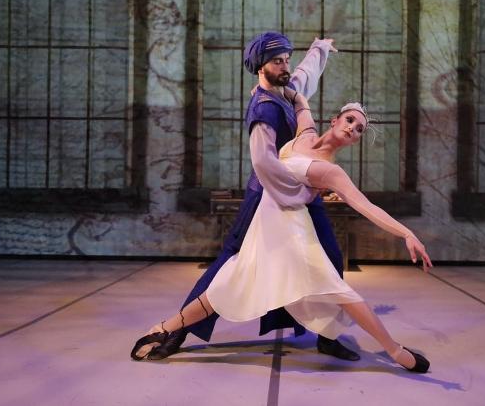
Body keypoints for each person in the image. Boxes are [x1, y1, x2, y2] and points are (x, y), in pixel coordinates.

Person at [132, 90, 434, 373]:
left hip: (294, 235)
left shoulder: (332, 171)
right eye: (350, 120)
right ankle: (162, 329)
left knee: (339, 291)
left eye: (358, 130)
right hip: (265, 229)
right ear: (335, 120)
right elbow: (299, 97)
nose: (352, 128)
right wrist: (264, 88)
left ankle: (395, 352)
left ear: (355, 141)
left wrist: (406, 233)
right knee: (226, 285)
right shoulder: (305, 132)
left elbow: (366, 206)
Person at [146, 31, 358, 361]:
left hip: (302, 191)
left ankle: (327, 336)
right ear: (261, 66)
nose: (285, 66)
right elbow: (263, 161)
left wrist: (319, 48)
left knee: (330, 256)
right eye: (278, 61)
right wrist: (295, 194)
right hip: (268, 194)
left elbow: (305, 75)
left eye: (286, 59)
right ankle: (177, 331)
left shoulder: (286, 90)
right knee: (229, 264)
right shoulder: (264, 109)